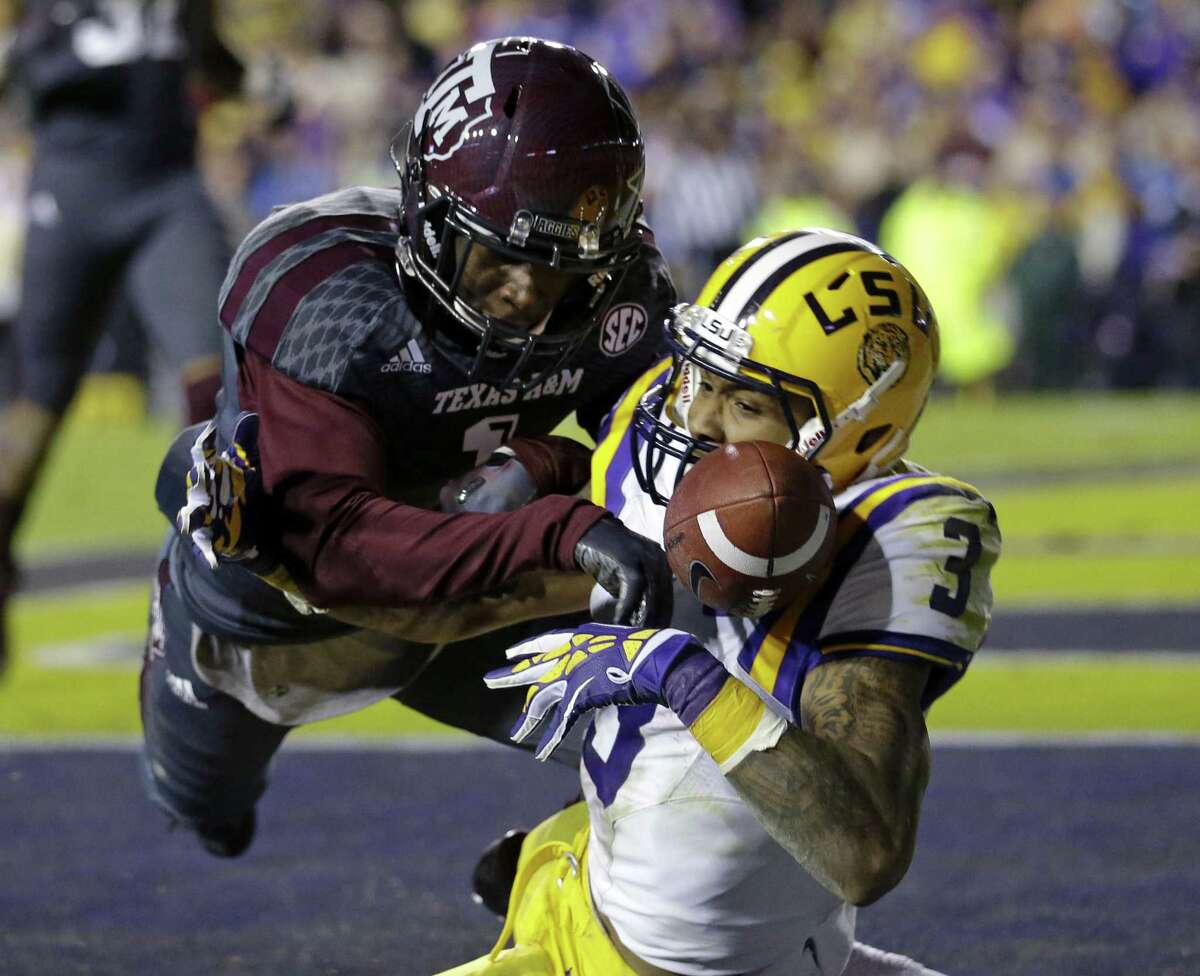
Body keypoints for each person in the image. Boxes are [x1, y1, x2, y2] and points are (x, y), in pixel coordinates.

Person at [139, 37, 678, 859]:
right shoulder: (327, 295)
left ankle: (560, 876)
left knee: (691, 740)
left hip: (480, 594)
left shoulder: (620, 290)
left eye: (561, 269)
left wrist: (545, 468)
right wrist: (559, 521)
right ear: (428, 220)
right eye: (501, 257)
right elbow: (345, 552)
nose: (528, 298)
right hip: (288, 621)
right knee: (207, 808)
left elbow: (657, 463)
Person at [449, 229, 1002, 976]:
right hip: (609, 885)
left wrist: (683, 673)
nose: (699, 419)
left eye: (743, 402)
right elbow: (611, 457)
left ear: (853, 431)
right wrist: (543, 462)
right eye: (701, 378)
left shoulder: (885, 537)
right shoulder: (669, 416)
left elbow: (862, 854)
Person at [0, 0, 243, 672]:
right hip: (75, 188)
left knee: (220, 379)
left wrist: (236, 80)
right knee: (36, 404)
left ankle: (225, 575)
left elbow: (210, 59)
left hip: (163, 187)